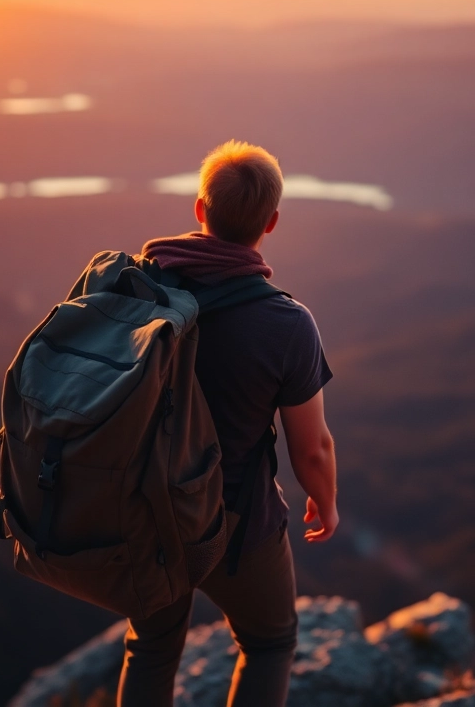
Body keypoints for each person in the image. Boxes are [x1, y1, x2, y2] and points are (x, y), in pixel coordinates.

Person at [118, 141, 340, 706]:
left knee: (152, 645)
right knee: (268, 643)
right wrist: (326, 502)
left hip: (145, 507)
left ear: (199, 209)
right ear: (271, 222)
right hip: (234, 523)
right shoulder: (287, 324)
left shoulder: (142, 288)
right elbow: (310, 449)